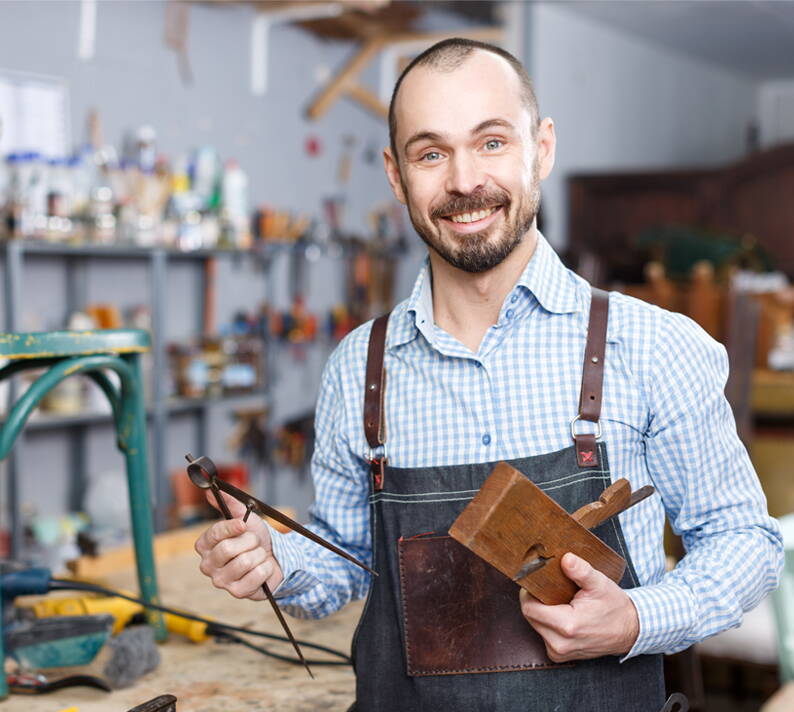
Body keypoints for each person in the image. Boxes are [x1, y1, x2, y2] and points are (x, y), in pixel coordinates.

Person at [195, 38, 783, 711]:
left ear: (542, 148)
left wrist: (637, 619)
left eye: (492, 142)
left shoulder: (653, 347)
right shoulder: (358, 368)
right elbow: (343, 563)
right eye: (431, 153)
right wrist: (277, 560)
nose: (465, 181)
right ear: (396, 174)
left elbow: (745, 543)